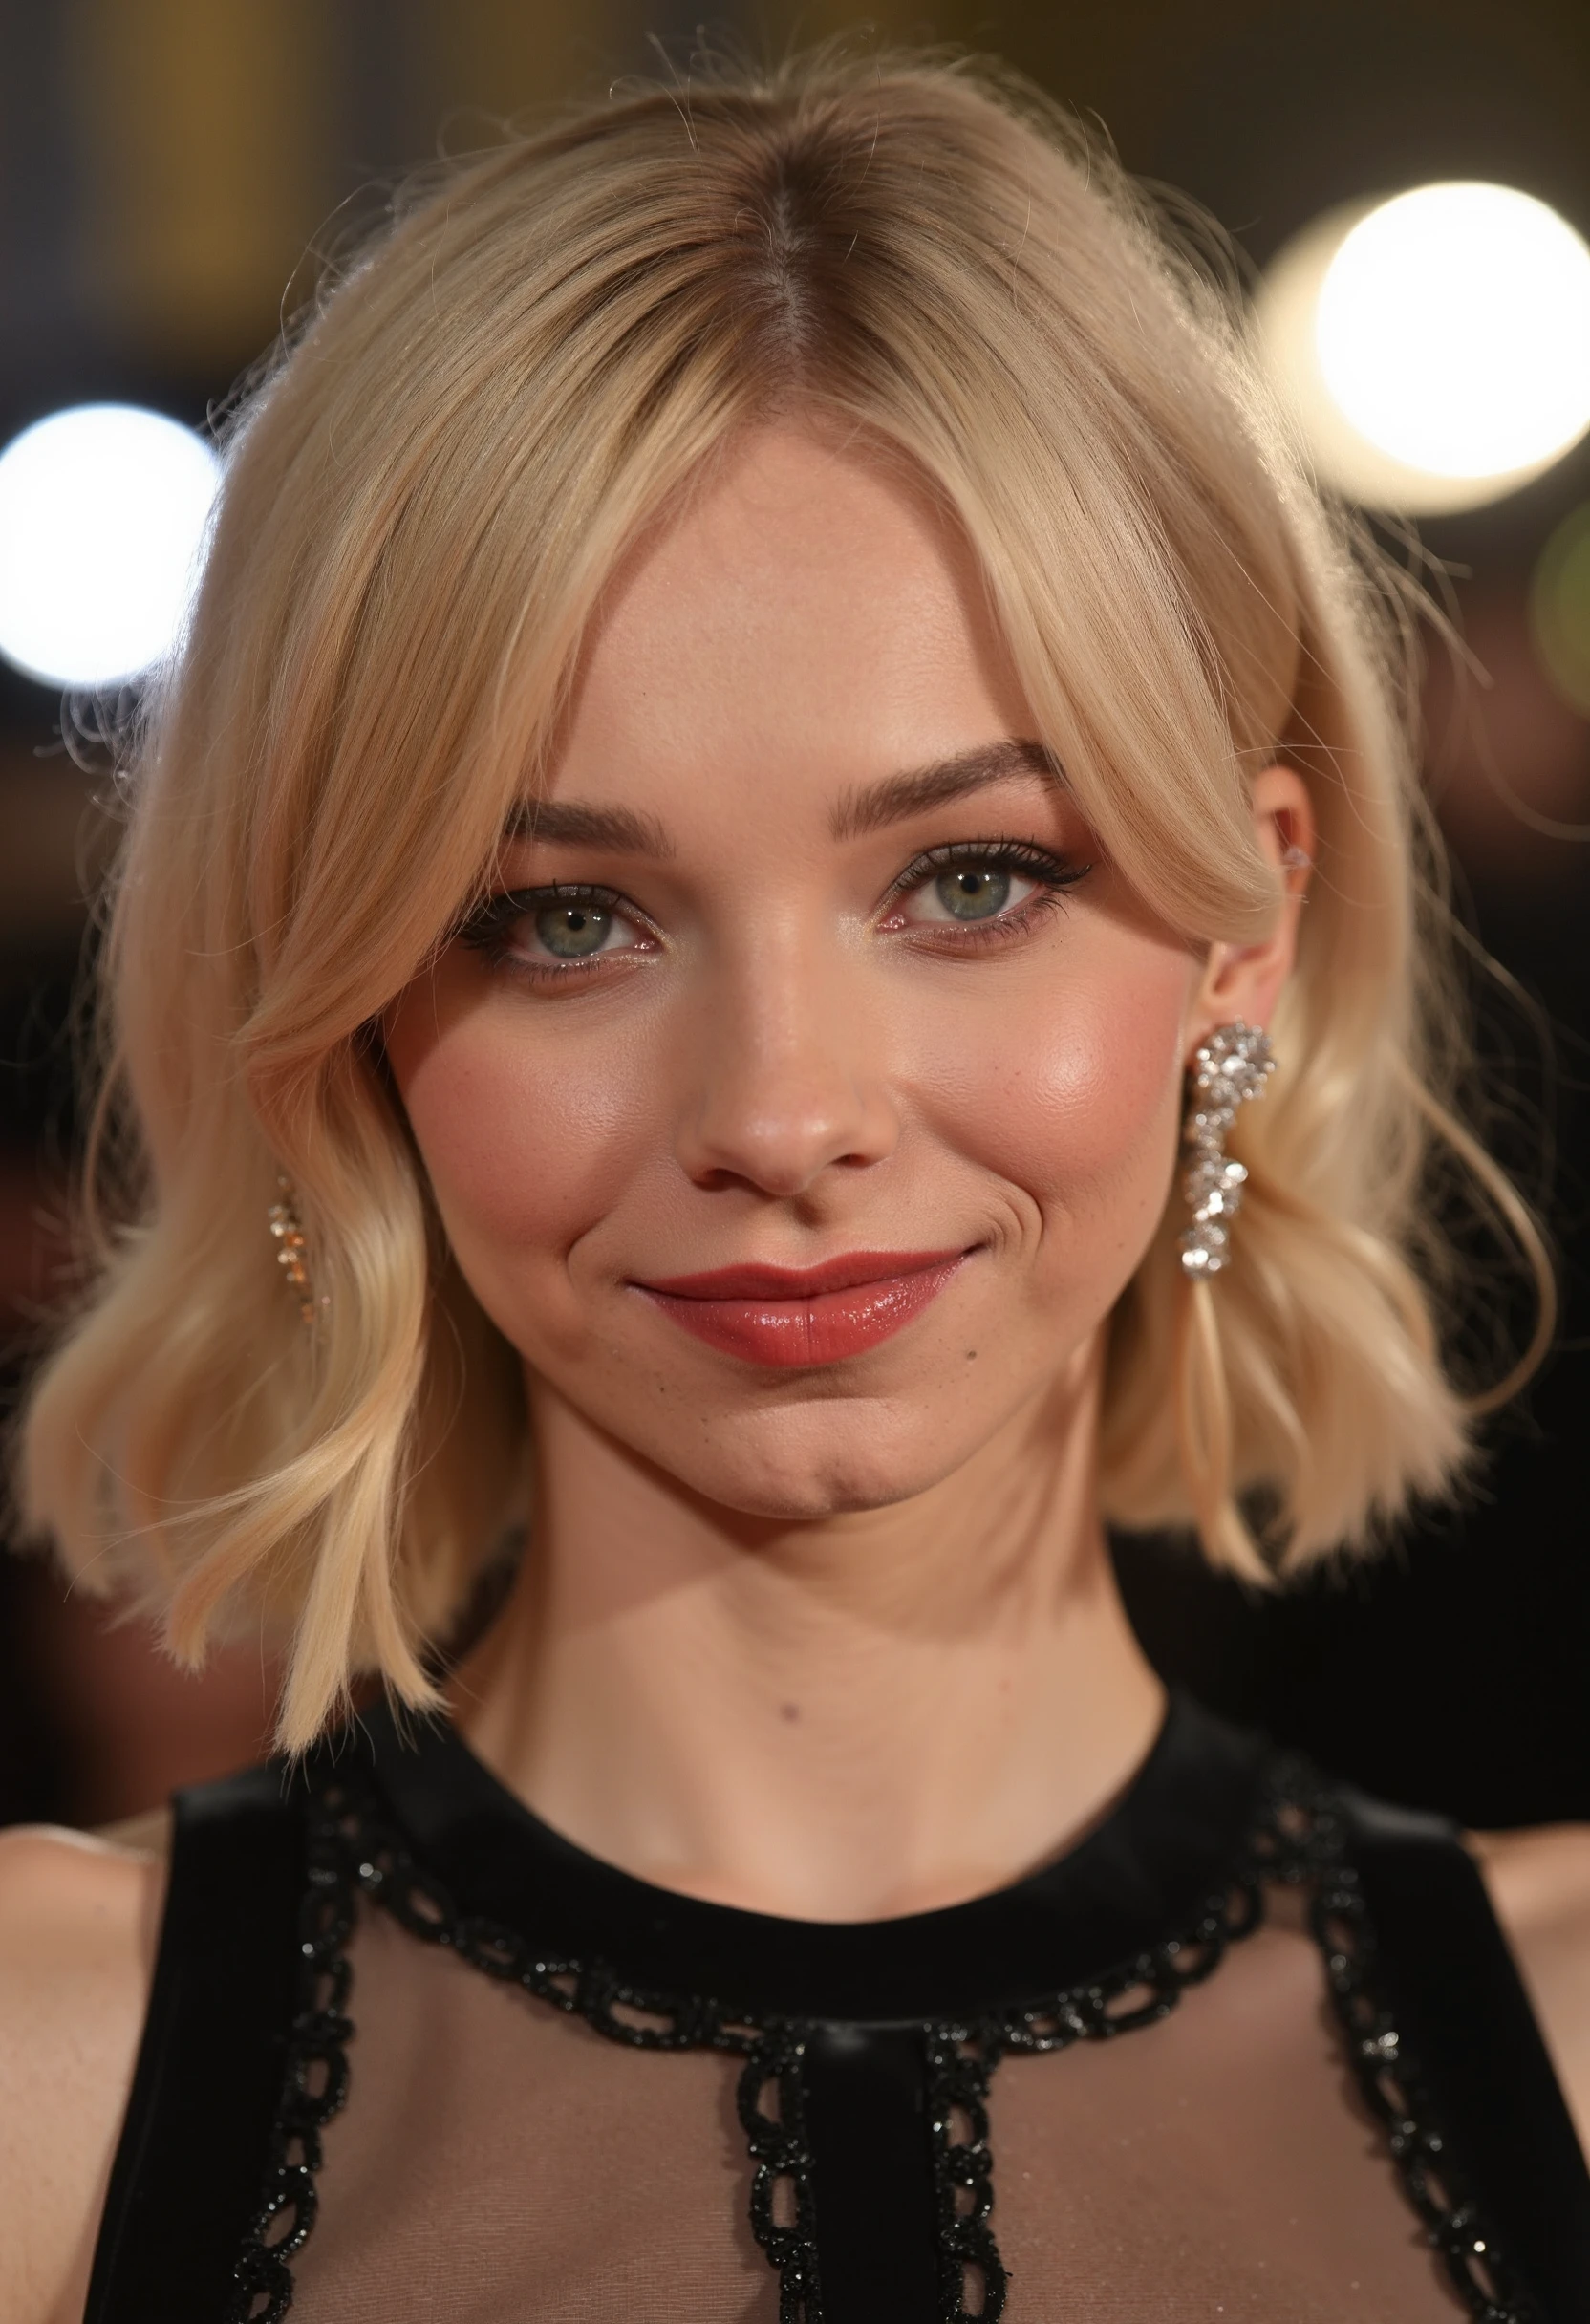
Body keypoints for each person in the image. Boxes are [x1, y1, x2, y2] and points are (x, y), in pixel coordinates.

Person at [2, 45, 1588, 2324]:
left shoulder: (1558, 2052)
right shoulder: (45, 2081)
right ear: (333, 1005)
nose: (781, 1107)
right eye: (566, 919)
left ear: (1243, 932)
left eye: (969, 877)